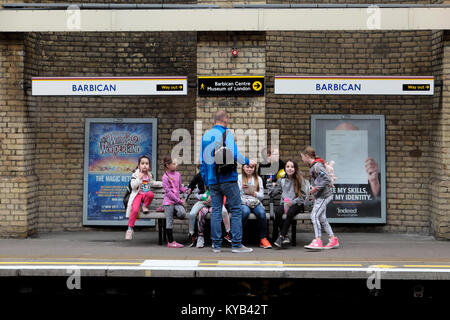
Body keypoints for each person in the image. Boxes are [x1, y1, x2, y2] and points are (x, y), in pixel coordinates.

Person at [200, 110, 257, 253]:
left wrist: (207, 180)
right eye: (228, 119)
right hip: (228, 179)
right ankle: (237, 245)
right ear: (225, 119)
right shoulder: (227, 133)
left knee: (216, 211)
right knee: (236, 209)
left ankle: (216, 245)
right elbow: (235, 154)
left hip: (212, 181)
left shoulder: (205, 136)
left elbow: (202, 162)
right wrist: (248, 161)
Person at [301, 146, 340, 250]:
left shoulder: (317, 166)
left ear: (307, 156)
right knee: (322, 218)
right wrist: (315, 193)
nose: (301, 159)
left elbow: (326, 179)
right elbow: (319, 180)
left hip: (324, 196)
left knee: (314, 216)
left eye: (302, 157)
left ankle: (318, 240)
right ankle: (333, 239)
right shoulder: (313, 166)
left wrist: (316, 189)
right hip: (321, 196)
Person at [185, 163, 232, 248]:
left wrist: (213, 196)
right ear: (199, 168)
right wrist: (185, 197)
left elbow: (221, 189)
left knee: (224, 211)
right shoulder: (198, 176)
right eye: (202, 168)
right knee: (192, 214)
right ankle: (192, 234)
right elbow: (190, 187)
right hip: (202, 202)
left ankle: (228, 232)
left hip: (215, 201)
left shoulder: (215, 175)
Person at [269, 159, 307, 248]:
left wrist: (292, 202)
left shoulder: (300, 180)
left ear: (295, 168)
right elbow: (272, 194)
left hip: (297, 204)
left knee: (290, 213)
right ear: (285, 168)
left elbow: (303, 196)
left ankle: (281, 236)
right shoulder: (281, 181)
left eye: (292, 167)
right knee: (278, 212)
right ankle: (285, 236)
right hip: (284, 204)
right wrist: (269, 183)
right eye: (288, 167)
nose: (290, 169)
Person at [238, 164, 272, 249]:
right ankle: (238, 238)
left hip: (255, 201)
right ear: (243, 167)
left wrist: (254, 193)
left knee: (261, 213)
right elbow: (235, 194)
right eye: (247, 167)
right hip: (243, 201)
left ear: (254, 168)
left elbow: (261, 196)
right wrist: (241, 188)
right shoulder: (239, 178)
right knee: (245, 212)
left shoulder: (258, 179)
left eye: (252, 167)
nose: (249, 169)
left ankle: (263, 238)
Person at [125, 155, 156, 240]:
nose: (145, 165)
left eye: (147, 163)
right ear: (139, 165)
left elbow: (153, 183)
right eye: (142, 163)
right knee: (134, 209)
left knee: (150, 194)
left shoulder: (149, 175)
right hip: (137, 195)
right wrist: (139, 178)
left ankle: (144, 206)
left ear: (149, 166)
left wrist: (163, 183)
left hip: (145, 195)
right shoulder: (135, 174)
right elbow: (133, 186)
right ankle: (130, 229)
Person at [162, 156, 190, 248]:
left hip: (176, 202)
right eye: (174, 163)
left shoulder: (178, 174)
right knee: (169, 221)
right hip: (169, 202)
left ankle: (167, 210)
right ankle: (170, 242)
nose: (176, 165)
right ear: (167, 165)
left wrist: (185, 190)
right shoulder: (165, 177)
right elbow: (168, 193)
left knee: (182, 213)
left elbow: (180, 187)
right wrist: (179, 201)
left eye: (176, 163)